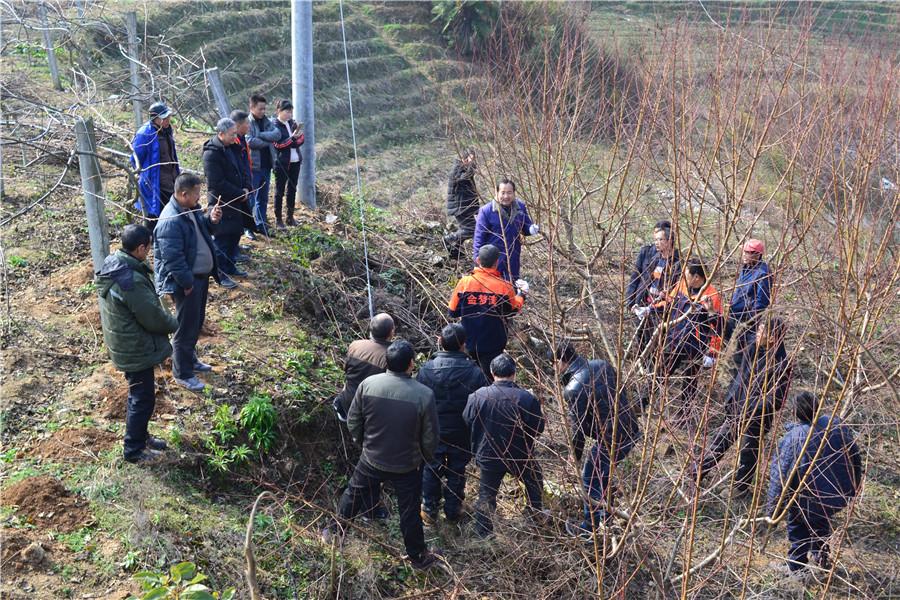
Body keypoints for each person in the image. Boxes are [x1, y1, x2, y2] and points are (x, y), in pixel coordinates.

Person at [328, 340, 441, 570]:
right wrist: (424, 458)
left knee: (353, 494)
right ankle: (417, 556)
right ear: (411, 364)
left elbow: (353, 420)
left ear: (387, 361)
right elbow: (430, 437)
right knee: (409, 510)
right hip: (407, 464)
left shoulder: (368, 384)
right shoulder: (424, 395)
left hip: (371, 457)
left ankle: (334, 533)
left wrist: (363, 442)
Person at [96, 225, 178, 464]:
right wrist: (174, 323)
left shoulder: (119, 264)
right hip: (134, 348)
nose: (150, 253)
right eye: (149, 248)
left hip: (129, 343)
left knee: (142, 395)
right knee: (142, 398)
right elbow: (151, 316)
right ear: (141, 248)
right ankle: (133, 449)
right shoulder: (129, 279)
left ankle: (142, 437)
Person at [766, 391, 862, 574]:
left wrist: (773, 512)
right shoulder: (836, 424)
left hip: (807, 499)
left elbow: (780, 478)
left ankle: (796, 568)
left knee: (797, 525)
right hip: (836, 494)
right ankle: (821, 558)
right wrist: (854, 486)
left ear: (796, 413)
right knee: (820, 522)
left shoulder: (792, 440)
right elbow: (855, 457)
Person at [696, 316, 793, 495]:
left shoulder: (781, 364)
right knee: (718, 443)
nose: (757, 334)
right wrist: (713, 316)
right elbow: (732, 333)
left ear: (772, 338)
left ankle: (741, 488)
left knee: (748, 453)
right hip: (736, 407)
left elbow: (777, 399)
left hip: (756, 417)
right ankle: (697, 473)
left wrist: (753, 407)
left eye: (761, 331)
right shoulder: (753, 346)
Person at [555, 341, 639, 539]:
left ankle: (590, 528)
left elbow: (579, 429)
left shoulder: (574, 388)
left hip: (613, 438)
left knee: (591, 475)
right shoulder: (602, 364)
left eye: (554, 363)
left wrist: (573, 457)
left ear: (560, 361)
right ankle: (607, 518)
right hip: (630, 428)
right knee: (603, 474)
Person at [463, 353, 546, 537]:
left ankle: (483, 533)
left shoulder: (477, 396)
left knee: (487, 494)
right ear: (514, 373)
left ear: (492, 373)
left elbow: (468, 420)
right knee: (534, 482)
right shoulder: (526, 399)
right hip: (519, 454)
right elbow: (538, 427)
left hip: (488, 454)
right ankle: (535, 518)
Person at [154, 173, 223, 392]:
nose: (199, 197)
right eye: (196, 194)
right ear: (183, 194)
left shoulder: (189, 209)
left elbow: (200, 231)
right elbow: (172, 258)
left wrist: (210, 220)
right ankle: (182, 372)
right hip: (187, 283)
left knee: (195, 322)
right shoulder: (170, 220)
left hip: (198, 279)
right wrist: (186, 282)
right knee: (185, 327)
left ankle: (190, 359)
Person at [416, 323, 489, 524]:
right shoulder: (474, 371)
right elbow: (481, 402)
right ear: (464, 345)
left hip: (433, 428)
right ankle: (453, 509)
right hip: (461, 429)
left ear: (440, 342)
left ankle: (429, 509)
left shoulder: (426, 369)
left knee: (431, 467)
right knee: (457, 469)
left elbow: (418, 399)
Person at [652, 258, 724, 423]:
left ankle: (685, 417)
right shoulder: (682, 285)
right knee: (660, 372)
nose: (683, 278)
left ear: (697, 277)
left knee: (689, 383)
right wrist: (650, 309)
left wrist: (713, 352)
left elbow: (717, 326)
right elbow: (668, 302)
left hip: (696, 345)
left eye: (686, 275)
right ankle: (644, 402)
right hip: (675, 338)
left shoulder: (711, 295)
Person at [448, 244, 527, 380]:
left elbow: (452, 312)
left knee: (467, 381)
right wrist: (522, 294)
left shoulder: (465, 283)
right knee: (489, 382)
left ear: (478, 260)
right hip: (494, 345)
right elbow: (513, 310)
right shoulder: (504, 286)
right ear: (497, 263)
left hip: (468, 342)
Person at [202, 118, 250, 286]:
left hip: (236, 200)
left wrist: (246, 188)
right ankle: (220, 274)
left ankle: (230, 267)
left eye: (235, 134)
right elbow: (216, 182)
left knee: (234, 235)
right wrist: (239, 192)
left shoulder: (232, 148)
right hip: (221, 202)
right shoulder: (211, 153)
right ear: (221, 134)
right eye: (231, 134)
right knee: (222, 239)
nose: (235, 137)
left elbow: (242, 170)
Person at [627, 220, 682, 351]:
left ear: (669, 240)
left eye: (661, 239)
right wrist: (634, 303)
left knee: (656, 346)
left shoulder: (678, 263)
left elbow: (676, 291)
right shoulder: (655, 259)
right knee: (641, 343)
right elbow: (642, 281)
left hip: (660, 312)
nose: (657, 243)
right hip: (645, 306)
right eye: (656, 239)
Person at [472, 177, 538, 281]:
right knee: (493, 288)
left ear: (514, 193)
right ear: (497, 192)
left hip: (513, 256)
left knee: (511, 286)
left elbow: (525, 226)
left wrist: (531, 229)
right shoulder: (486, 211)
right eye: (503, 193)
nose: (506, 196)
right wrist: (477, 260)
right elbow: (479, 238)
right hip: (492, 259)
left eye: (509, 193)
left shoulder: (520, 207)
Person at [332, 313, 395, 421]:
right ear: (391, 332)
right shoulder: (392, 356)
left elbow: (346, 371)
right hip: (369, 415)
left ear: (370, 329)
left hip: (346, 406)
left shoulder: (355, 345)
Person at [130, 102, 180, 232]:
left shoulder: (167, 130)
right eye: (164, 117)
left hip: (171, 180)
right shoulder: (144, 134)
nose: (168, 120)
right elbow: (135, 159)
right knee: (155, 217)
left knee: (173, 216)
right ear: (155, 118)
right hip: (154, 183)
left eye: (168, 116)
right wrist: (147, 176)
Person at [726, 238, 772, 372]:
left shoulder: (763, 274)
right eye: (745, 252)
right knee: (731, 346)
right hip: (735, 316)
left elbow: (761, 303)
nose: (745, 255)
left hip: (746, 322)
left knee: (742, 353)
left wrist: (749, 320)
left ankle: (741, 378)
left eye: (750, 252)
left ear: (758, 255)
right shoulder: (746, 267)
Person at [247, 94, 281, 238]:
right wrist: (268, 140)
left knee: (263, 198)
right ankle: (248, 226)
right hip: (254, 166)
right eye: (260, 109)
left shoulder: (267, 121)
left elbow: (277, 134)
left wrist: (260, 135)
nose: (263, 111)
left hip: (267, 166)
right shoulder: (247, 122)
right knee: (251, 198)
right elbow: (251, 142)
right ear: (252, 107)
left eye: (264, 109)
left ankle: (261, 224)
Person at [271, 99, 304, 229]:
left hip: (295, 161)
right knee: (279, 191)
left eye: (291, 112)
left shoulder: (292, 123)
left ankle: (290, 217)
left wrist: (293, 140)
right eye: (287, 111)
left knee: (292, 189)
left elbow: (301, 140)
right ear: (279, 111)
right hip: (282, 163)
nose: (289, 114)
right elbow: (278, 144)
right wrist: (292, 139)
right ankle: (278, 219)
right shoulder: (274, 125)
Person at [442, 149, 480, 260]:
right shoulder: (457, 168)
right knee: (472, 229)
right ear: (463, 158)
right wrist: (471, 166)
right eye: (469, 158)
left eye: (473, 159)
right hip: (461, 207)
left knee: (469, 228)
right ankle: (450, 239)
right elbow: (463, 178)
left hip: (467, 206)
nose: (471, 161)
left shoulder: (463, 168)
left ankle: (455, 251)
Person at [229, 109, 256, 258]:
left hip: (245, 182)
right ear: (238, 125)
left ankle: (237, 246)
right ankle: (234, 250)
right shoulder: (234, 142)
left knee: (242, 215)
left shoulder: (242, 139)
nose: (249, 126)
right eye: (246, 123)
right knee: (237, 218)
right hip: (237, 187)